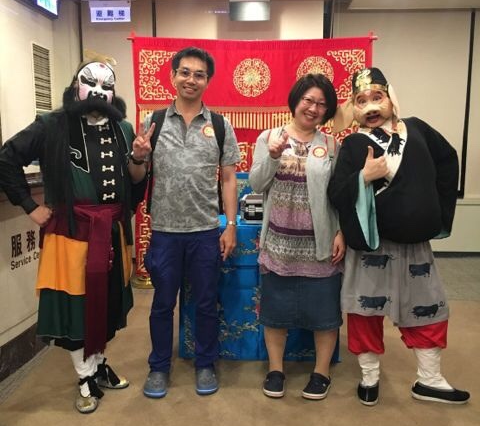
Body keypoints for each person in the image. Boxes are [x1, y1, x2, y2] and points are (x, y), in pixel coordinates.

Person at [0, 54, 148, 414]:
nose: (98, 91)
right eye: (90, 82)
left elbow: (136, 182)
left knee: (108, 302)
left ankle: (99, 366)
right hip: (71, 234)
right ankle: (84, 377)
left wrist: (139, 159)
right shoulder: (51, 124)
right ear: (75, 86)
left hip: (111, 232)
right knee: (77, 307)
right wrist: (30, 206)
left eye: (106, 85)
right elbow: (6, 158)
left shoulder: (124, 129)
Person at [328, 67, 470, 406]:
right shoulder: (353, 144)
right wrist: (363, 176)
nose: (371, 107)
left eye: (377, 97)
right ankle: (369, 377)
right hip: (371, 246)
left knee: (428, 307)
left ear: (391, 98)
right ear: (354, 108)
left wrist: (435, 210)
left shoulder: (417, 129)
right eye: (361, 101)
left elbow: (447, 160)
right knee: (365, 311)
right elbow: (336, 193)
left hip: (415, 245)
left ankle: (429, 379)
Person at [137, 46, 241, 398]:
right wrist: (137, 156)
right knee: (162, 304)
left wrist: (230, 225)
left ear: (207, 81)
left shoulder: (219, 125)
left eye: (199, 75)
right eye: (185, 72)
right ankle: (158, 367)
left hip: (204, 231)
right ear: (173, 76)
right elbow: (138, 174)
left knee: (206, 303)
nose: (191, 80)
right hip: (165, 232)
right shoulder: (153, 122)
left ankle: (205, 363)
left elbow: (229, 179)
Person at [249, 74, 345, 400]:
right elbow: (257, 183)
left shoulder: (331, 146)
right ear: (296, 100)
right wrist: (273, 156)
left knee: (325, 314)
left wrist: (341, 232)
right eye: (308, 100)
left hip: (319, 244)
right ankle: (276, 370)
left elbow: (340, 195)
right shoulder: (269, 137)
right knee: (275, 313)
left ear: (327, 111)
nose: (313, 108)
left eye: (321, 104)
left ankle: (321, 373)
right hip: (279, 243)